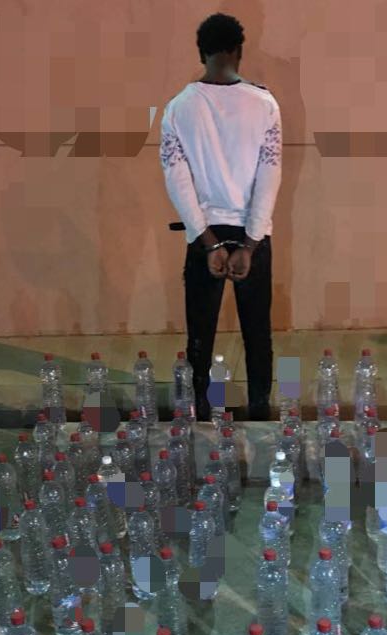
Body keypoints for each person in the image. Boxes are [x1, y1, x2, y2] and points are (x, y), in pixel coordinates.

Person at [160, 13, 282, 421]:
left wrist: (208, 241)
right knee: (257, 334)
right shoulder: (265, 104)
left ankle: (199, 417)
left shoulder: (178, 108)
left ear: (201, 53)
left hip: (204, 235)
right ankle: (260, 414)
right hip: (253, 234)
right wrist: (250, 243)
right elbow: (270, 175)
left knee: (200, 336)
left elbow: (178, 181)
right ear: (238, 51)